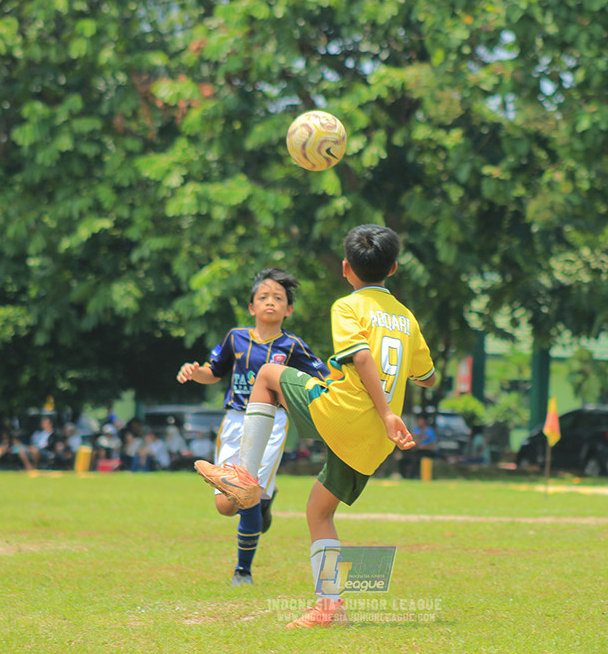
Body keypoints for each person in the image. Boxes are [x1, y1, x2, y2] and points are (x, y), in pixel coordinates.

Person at [194, 225, 437, 627]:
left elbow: (360, 359)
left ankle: (242, 474)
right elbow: (427, 377)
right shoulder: (407, 319)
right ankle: (330, 607)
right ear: (393, 268)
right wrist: (395, 406)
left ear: (346, 268)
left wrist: (386, 410)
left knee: (269, 374)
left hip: (345, 411)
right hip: (375, 438)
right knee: (319, 512)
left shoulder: (348, 307)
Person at [176, 267, 329, 587]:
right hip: (234, 422)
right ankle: (265, 502)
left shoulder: (293, 346)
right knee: (224, 506)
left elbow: (321, 378)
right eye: (263, 297)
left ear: (288, 310)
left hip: (272, 425)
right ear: (251, 307)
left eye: (278, 298)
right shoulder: (236, 338)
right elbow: (213, 372)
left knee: (246, 492)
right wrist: (194, 371)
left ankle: (242, 572)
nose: (270, 302)